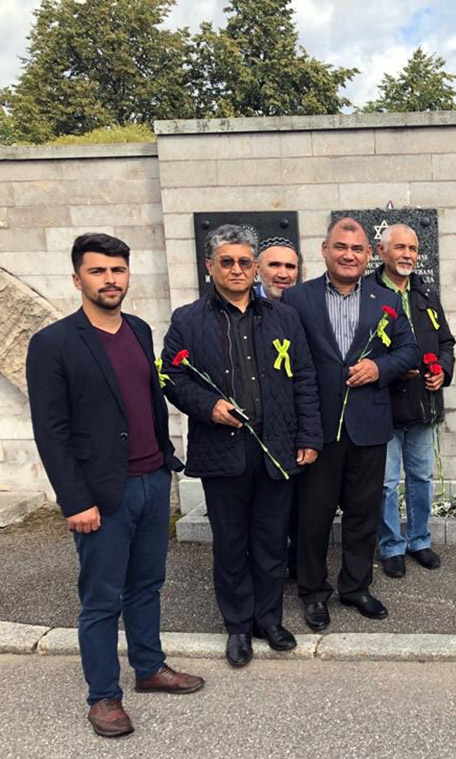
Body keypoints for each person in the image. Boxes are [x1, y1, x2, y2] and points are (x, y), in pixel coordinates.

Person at [26, 233, 203, 738]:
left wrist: (165, 463)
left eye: (118, 270)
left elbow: (148, 400)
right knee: (102, 600)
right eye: (98, 271)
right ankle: (103, 696)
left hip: (152, 482)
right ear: (77, 278)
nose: (110, 280)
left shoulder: (139, 330)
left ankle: (149, 667)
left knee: (147, 585)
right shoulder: (53, 343)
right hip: (102, 495)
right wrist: (75, 500)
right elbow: (51, 431)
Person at [161, 224, 321, 668]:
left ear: (255, 268)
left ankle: (268, 619)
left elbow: (305, 378)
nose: (236, 269)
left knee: (271, 542)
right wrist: (208, 406)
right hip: (222, 451)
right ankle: (237, 625)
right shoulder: (187, 320)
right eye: (227, 262)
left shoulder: (284, 317)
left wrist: (309, 437)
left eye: (244, 262)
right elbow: (172, 377)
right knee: (231, 544)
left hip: (275, 449)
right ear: (209, 266)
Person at [282, 217, 418, 630]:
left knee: (363, 514)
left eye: (357, 249)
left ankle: (356, 586)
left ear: (368, 255)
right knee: (314, 517)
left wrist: (379, 368)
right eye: (340, 247)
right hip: (317, 428)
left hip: (368, 425)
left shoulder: (386, 299)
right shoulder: (297, 299)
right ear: (325, 250)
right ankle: (313, 592)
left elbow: (409, 350)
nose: (348, 255)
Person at [373, 223, 456, 578]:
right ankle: (391, 546)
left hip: (423, 404)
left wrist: (443, 372)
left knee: (421, 477)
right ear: (382, 252)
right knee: (386, 483)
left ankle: (419, 540)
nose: (407, 255)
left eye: (413, 249)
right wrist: (391, 369)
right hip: (384, 408)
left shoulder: (425, 294)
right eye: (400, 247)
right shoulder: (368, 294)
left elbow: (446, 343)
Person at [253, 236, 302, 578]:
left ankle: (296, 566)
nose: (283, 274)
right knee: (264, 515)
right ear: (258, 269)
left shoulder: (302, 308)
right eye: (275, 265)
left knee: (299, 507)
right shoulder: (244, 309)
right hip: (257, 430)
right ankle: (268, 571)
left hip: (296, 428)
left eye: (290, 266)